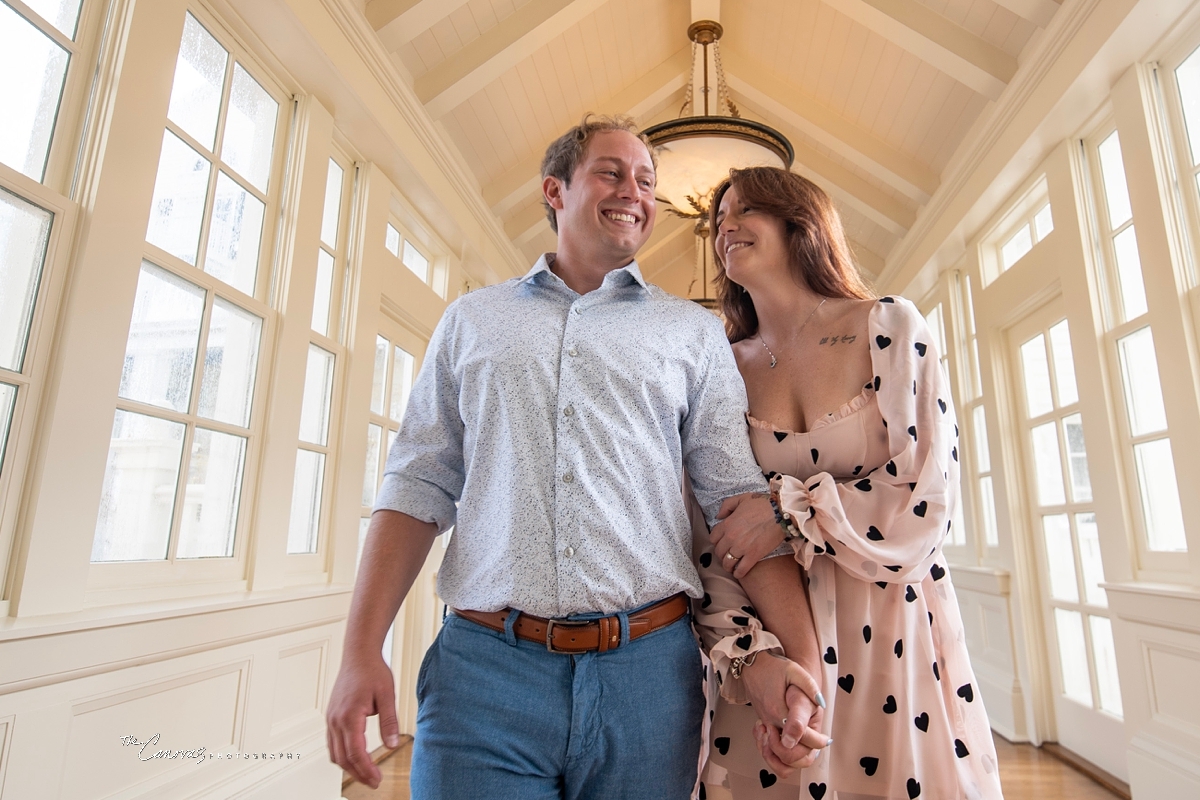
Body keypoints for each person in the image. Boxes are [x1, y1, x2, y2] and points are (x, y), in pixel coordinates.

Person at [325, 117, 825, 800]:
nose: (636, 192)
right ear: (555, 190)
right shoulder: (472, 321)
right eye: (613, 172)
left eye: (648, 181)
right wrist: (361, 651)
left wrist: (804, 665)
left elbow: (737, 503)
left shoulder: (692, 333)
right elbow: (416, 486)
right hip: (483, 678)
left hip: (649, 680)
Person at [691, 167, 1004, 800]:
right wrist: (748, 655)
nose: (726, 227)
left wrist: (785, 509)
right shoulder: (718, 365)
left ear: (799, 222)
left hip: (888, 630)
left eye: (745, 209)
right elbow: (709, 526)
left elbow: (926, 500)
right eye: (717, 218)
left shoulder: (889, 327)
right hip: (770, 640)